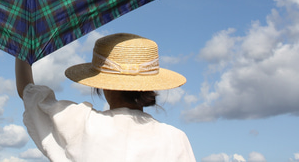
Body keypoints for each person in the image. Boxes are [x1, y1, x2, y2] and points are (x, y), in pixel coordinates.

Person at [15, 33, 195, 162]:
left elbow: (27, 91)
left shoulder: (80, 122)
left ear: (102, 85)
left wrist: (23, 39)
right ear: (150, 86)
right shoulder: (176, 139)